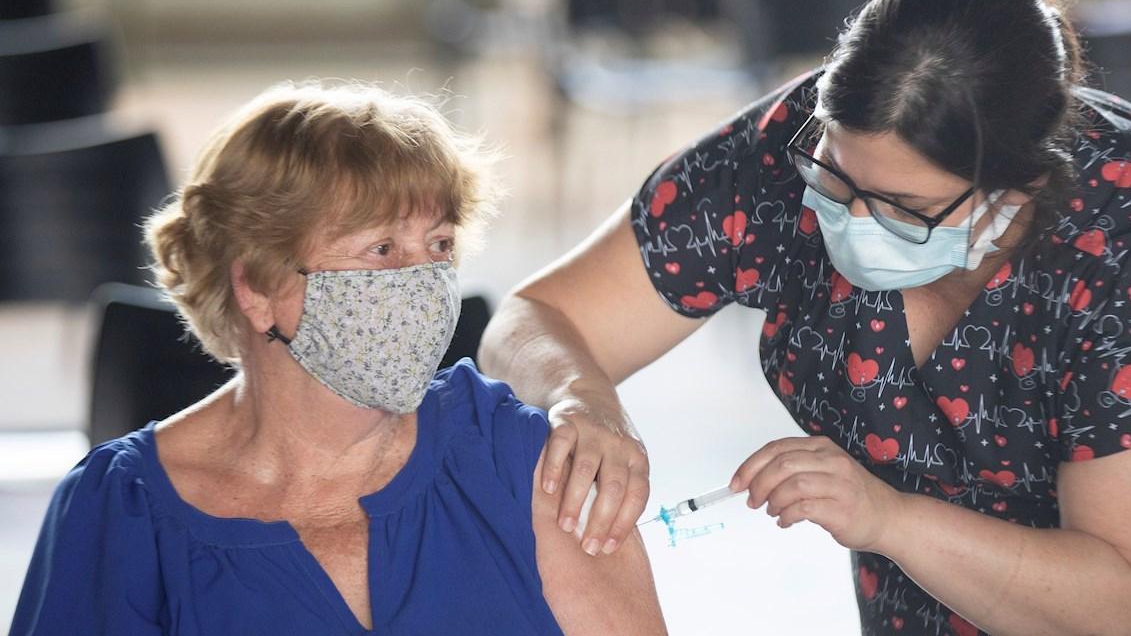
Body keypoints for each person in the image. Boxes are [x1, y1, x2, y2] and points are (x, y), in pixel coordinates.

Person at [480, 0, 1131, 636]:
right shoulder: (790, 145)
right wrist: (583, 398)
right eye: (835, 177)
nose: (849, 223)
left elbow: (1127, 602)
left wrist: (886, 515)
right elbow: (533, 319)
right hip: (917, 606)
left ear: (1016, 189)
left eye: (903, 209)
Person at [10, 82, 667, 636]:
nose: (423, 283)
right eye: (382, 249)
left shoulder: (523, 460)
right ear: (257, 286)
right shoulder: (119, 513)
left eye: (440, 244)